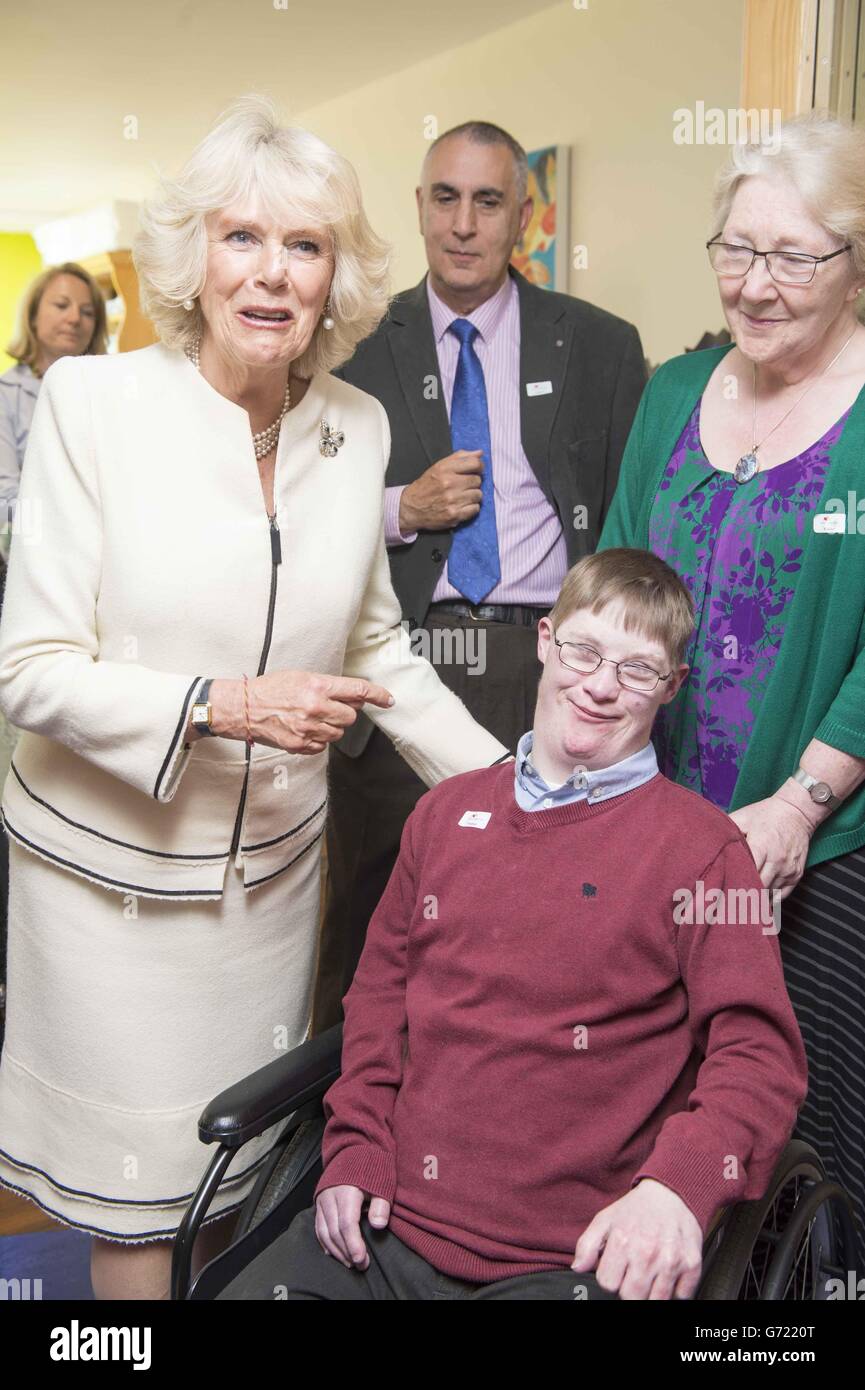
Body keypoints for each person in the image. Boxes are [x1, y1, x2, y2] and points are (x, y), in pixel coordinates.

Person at [0, 93, 509, 1302]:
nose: (271, 275)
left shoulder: (357, 425)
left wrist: (519, 789)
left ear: (336, 273)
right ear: (192, 256)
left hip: (273, 893)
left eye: (304, 245)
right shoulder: (95, 407)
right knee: (137, 1209)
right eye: (241, 237)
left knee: (235, 1180)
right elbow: (30, 670)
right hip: (111, 893)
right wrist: (222, 704)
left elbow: (378, 648)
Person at [218, 548, 807, 1301]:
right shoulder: (442, 816)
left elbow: (758, 1058)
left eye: (636, 669)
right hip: (384, 1225)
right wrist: (355, 1144)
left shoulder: (703, 851)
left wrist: (677, 1190)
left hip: (572, 1258)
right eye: (583, 650)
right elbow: (375, 1006)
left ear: (672, 687)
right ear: (544, 639)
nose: (598, 686)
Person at [598, 112, 865, 1266]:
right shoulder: (672, 390)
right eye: (735, 250)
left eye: (792, 256)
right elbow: (613, 576)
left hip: (823, 846)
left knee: (814, 1143)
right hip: (660, 832)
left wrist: (801, 803)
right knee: (666, 1113)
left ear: (852, 257)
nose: (755, 286)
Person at [313, 120, 647, 1032]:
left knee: (543, 914)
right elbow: (295, 512)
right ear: (419, 208)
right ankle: (339, 1133)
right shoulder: (351, 346)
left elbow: (630, 525)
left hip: (547, 665)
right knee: (379, 914)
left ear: (521, 216)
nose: (463, 223)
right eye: (445, 198)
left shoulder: (600, 346)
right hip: (400, 660)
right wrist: (399, 510)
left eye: (487, 201)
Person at [0, 264, 106, 1041]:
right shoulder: (7, 396)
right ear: (33, 315)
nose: (72, 316)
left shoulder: (111, 395)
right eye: (59, 304)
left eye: (85, 308)